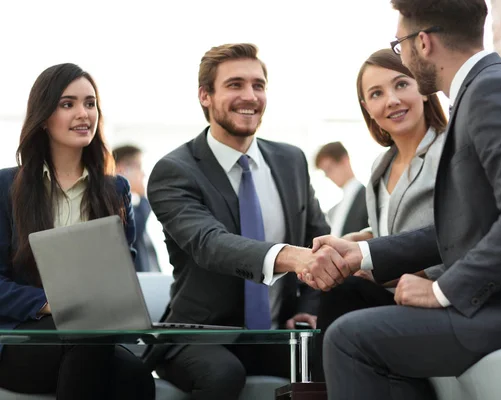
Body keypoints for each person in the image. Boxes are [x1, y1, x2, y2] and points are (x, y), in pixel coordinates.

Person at [302, 1, 501, 398]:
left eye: (401, 46)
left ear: (423, 42)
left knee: (349, 338)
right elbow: (466, 227)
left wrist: (441, 290)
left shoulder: (491, 91)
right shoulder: (493, 87)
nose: (404, 58)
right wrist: (361, 254)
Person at [146, 43, 341, 400]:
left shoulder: (290, 161)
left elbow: (319, 240)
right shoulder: (175, 171)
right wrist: (290, 256)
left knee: (339, 358)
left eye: (258, 85)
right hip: (200, 334)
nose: (249, 96)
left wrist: (306, 308)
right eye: (235, 84)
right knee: (223, 376)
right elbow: (211, 244)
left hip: (276, 330)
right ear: (205, 95)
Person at [0, 63, 155, 399]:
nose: (83, 113)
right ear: (43, 116)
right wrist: (51, 302)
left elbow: (121, 272)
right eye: (67, 104)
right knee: (109, 358)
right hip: (22, 340)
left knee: (136, 375)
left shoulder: (116, 189)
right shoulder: (6, 186)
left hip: (91, 337)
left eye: (90, 103)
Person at [311, 48, 448, 382]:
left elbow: (458, 232)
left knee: (341, 293)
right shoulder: (380, 167)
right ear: (367, 110)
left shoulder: (449, 151)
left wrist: (372, 266)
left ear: (423, 89)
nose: (391, 100)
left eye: (401, 84)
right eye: (376, 94)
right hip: (387, 298)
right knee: (330, 284)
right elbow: (392, 228)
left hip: (432, 295)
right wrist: (358, 240)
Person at [113, 145, 160, 272]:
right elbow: (134, 230)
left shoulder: (133, 204)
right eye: (138, 167)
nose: (143, 174)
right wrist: (144, 197)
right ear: (121, 169)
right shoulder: (113, 204)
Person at [315, 141, 368, 237]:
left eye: (329, 168)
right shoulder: (333, 211)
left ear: (345, 160)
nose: (329, 176)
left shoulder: (368, 198)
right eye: (325, 172)